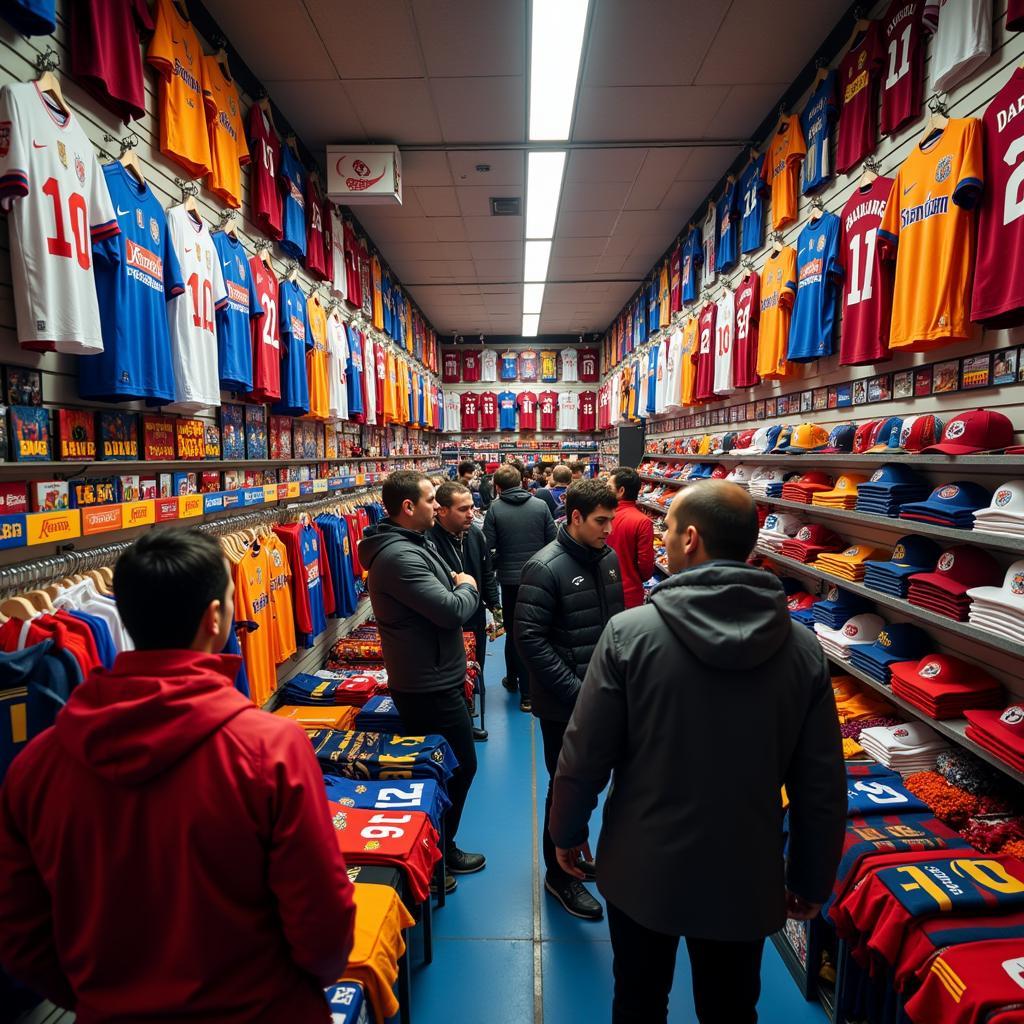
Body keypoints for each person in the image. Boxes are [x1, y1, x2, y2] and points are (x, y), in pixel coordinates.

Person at [0, 530, 357, 1022]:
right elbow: (323, 920)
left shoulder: (36, 766)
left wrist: (100, 997)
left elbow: (19, 932)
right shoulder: (270, 749)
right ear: (215, 619)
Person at [550, 481, 846, 1024]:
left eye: (666, 530)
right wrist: (810, 876)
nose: (661, 539)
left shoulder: (628, 635)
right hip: (745, 870)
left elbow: (584, 752)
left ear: (691, 538)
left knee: (638, 1001)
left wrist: (567, 832)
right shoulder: (803, 648)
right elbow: (821, 782)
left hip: (642, 865)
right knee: (731, 1010)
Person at [360, 470, 485, 892]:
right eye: (432, 499)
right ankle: (435, 855)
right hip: (426, 683)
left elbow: (445, 595)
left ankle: (438, 851)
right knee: (456, 767)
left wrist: (457, 588)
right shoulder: (399, 556)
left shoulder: (414, 543)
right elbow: (452, 609)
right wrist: (468, 586)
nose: (438, 505)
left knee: (447, 766)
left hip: (434, 674)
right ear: (408, 507)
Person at [515, 480, 624, 921]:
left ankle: (576, 853)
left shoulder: (609, 559)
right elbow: (530, 641)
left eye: (611, 519)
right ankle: (557, 876)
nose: (609, 529)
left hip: (605, 699)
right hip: (565, 705)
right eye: (601, 521)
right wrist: (580, 694)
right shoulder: (544, 567)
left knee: (589, 786)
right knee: (564, 787)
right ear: (575, 517)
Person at [430, 480, 501, 742]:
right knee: (452, 673)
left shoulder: (476, 535)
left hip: (475, 616)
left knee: (474, 667)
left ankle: (467, 717)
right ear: (442, 511)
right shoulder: (429, 542)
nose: (471, 513)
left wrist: (495, 608)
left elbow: (487, 573)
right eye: (463, 509)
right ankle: (458, 726)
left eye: (471, 507)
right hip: (446, 619)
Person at [482, 465, 556, 711]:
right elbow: (553, 541)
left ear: (498, 487)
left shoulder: (495, 509)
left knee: (514, 631)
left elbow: (488, 546)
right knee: (535, 631)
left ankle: (514, 680)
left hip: (510, 582)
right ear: (523, 482)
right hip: (539, 579)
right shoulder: (540, 506)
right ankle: (529, 693)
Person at [607, 465, 656, 608]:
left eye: (609, 488)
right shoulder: (642, 522)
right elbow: (646, 568)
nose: (605, 490)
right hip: (630, 595)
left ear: (621, 491)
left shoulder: (601, 517)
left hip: (601, 590)